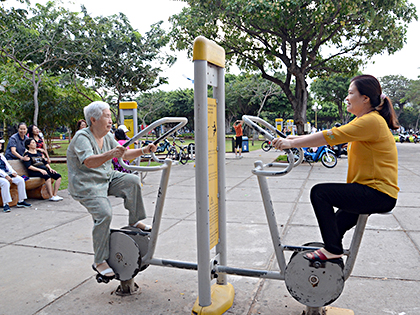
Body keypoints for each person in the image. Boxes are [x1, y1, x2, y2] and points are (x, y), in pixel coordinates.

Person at [272, 74, 399, 262]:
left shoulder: (371, 121)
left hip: (377, 193)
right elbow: (332, 135)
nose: (347, 98)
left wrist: (293, 144)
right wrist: (293, 140)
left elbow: (331, 136)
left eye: (350, 93)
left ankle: (332, 250)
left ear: (365, 98)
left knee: (320, 193)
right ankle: (329, 264)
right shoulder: (364, 120)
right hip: (371, 190)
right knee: (335, 229)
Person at [67, 101, 156, 278]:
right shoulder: (82, 137)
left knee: (132, 180)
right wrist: (111, 154)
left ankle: (134, 220)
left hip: (106, 178)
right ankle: (99, 260)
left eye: (110, 116)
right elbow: (90, 161)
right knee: (104, 214)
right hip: (87, 185)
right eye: (106, 116)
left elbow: (122, 153)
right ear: (93, 119)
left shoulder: (107, 136)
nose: (110, 120)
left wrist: (144, 150)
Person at [0, 138, 32, 212]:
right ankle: (6, 204)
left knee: (20, 180)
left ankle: (21, 201)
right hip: (2, 177)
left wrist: (13, 172)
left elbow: (8, 166)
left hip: (6, 174)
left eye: (1, 144)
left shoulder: (1, 156)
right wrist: (5, 176)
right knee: (5, 183)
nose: (0, 145)